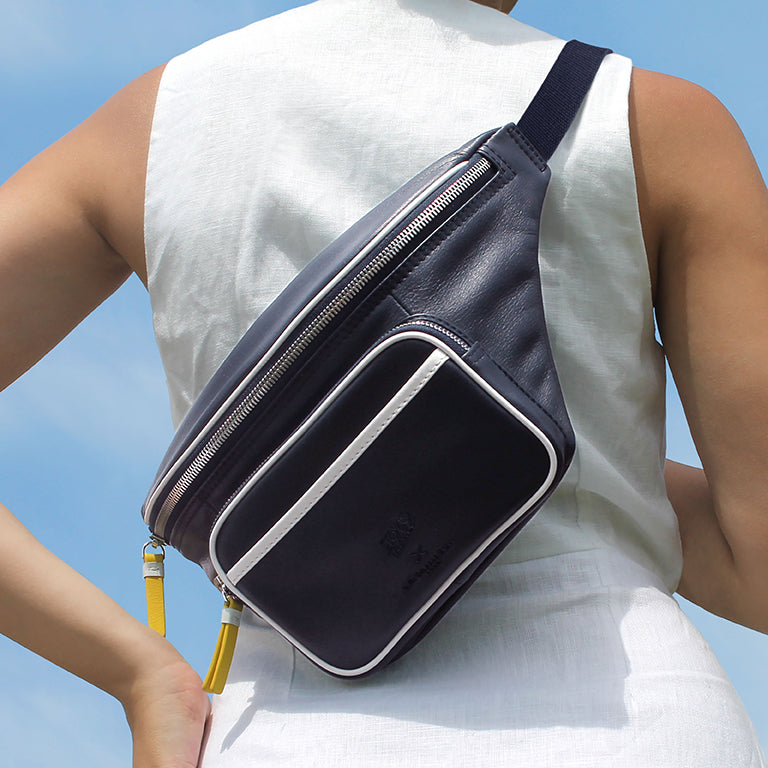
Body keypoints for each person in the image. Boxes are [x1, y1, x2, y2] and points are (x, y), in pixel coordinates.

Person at [1, 0, 767, 765]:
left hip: (288, 733)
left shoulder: (151, 126)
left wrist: (138, 674)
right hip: (634, 719)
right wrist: (587, 465)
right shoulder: (658, 123)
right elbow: (757, 568)